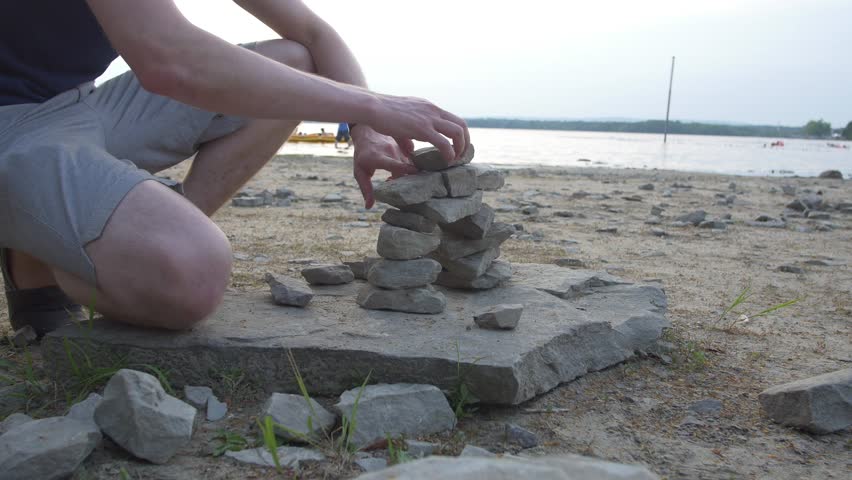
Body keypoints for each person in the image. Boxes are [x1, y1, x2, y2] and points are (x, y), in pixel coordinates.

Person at [0, 0, 469, 336]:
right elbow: (168, 59)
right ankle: (37, 257)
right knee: (191, 275)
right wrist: (373, 104)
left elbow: (313, 35)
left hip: (74, 106)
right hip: (10, 121)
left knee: (297, 65)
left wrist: (367, 125)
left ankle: (132, 228)